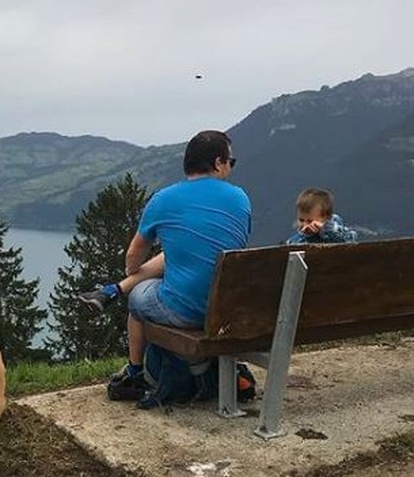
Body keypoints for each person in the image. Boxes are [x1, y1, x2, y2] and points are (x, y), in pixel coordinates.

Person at [88, 130, 251, 402]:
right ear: (219, 162)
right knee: (174, 258)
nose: (230, 168)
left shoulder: (164, 199)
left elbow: (133, 255)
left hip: (187, 311)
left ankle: (135, 371)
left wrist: (133, 275)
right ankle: (116, 290)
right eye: (231, 163)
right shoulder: (240, 198)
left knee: (138, 299)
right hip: (228, 312)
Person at [286, 188, 357, 244]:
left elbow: (351, 239)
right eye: (301, 220)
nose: (305, 225)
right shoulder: (297, 240)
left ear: (326, 219)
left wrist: (326, 228)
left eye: (310, 221)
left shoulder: (334, 228)